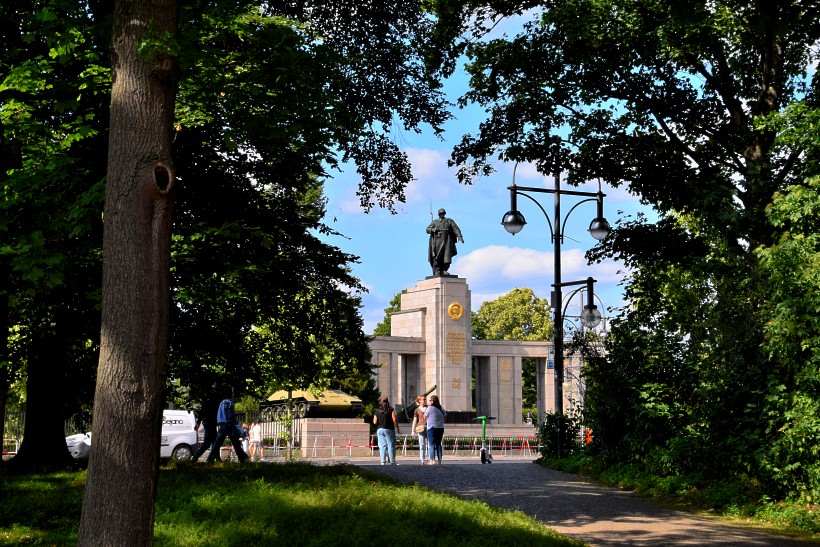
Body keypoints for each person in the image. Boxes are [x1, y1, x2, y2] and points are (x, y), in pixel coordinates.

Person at [206, 398, 249, 463]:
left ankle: (210, 459)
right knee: (235, 443)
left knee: (218, 443)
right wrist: (235, 425)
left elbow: (221, 415)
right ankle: (243, 458)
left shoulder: (222, 402)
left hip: (223, 424)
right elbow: (230, 416)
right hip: (228, 425)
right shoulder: (229, 402)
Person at [426, 208, 464, 276]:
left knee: (447, 256)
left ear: (445, 214)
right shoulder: (435, 222)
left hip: (447, 241)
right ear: (438, 214)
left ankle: (444, 270)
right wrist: (433, 229)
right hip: (437, 241)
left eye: (443, 213)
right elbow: (427, 229)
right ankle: (437, 270)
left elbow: (456, 228)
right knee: (437, 256)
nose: (442, 215)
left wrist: (460, 236)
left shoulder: (449, 221)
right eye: (440, 213)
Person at [372, 396, 400, 465]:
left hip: (380, 430)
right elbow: (394, 419)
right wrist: (397, 428)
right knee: (390, 445)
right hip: (389, 429)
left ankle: (383, 461)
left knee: (382, 446)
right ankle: (392, 461)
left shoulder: (377, 410)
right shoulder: (391, 409)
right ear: (387, 401)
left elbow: (374, 422)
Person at [192, 396, 220, 462]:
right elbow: (202, 413)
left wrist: (198, 423)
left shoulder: (207, 402)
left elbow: (201, 413)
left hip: (209, 424)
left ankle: (213, 459)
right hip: (210, 424)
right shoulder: (213, 402)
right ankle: (195, 457)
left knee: (215, 443)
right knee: (207, 444)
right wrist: (198, 423)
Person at [424, 395, 445, 464]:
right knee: (438, 444)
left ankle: (432, 460)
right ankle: (439, 460)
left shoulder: (429, 408)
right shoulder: (441, 408)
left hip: (432, 428)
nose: (429, 401)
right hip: (440, 428)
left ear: (433, 401)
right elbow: (445, 415)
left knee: (431, 444)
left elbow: (425, 416)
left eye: (430, 400)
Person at [410, 394, 428, 464]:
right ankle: (422, 460)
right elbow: (414, 421)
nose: (424, 400)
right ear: (419, 401)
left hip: (428, 428)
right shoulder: (417, 410)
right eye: (423, 399)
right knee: (422, 445)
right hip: (420, 428)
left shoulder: (428, 408)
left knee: (429, 444)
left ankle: (429, 458)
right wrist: (412, 431)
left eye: (425, 399)